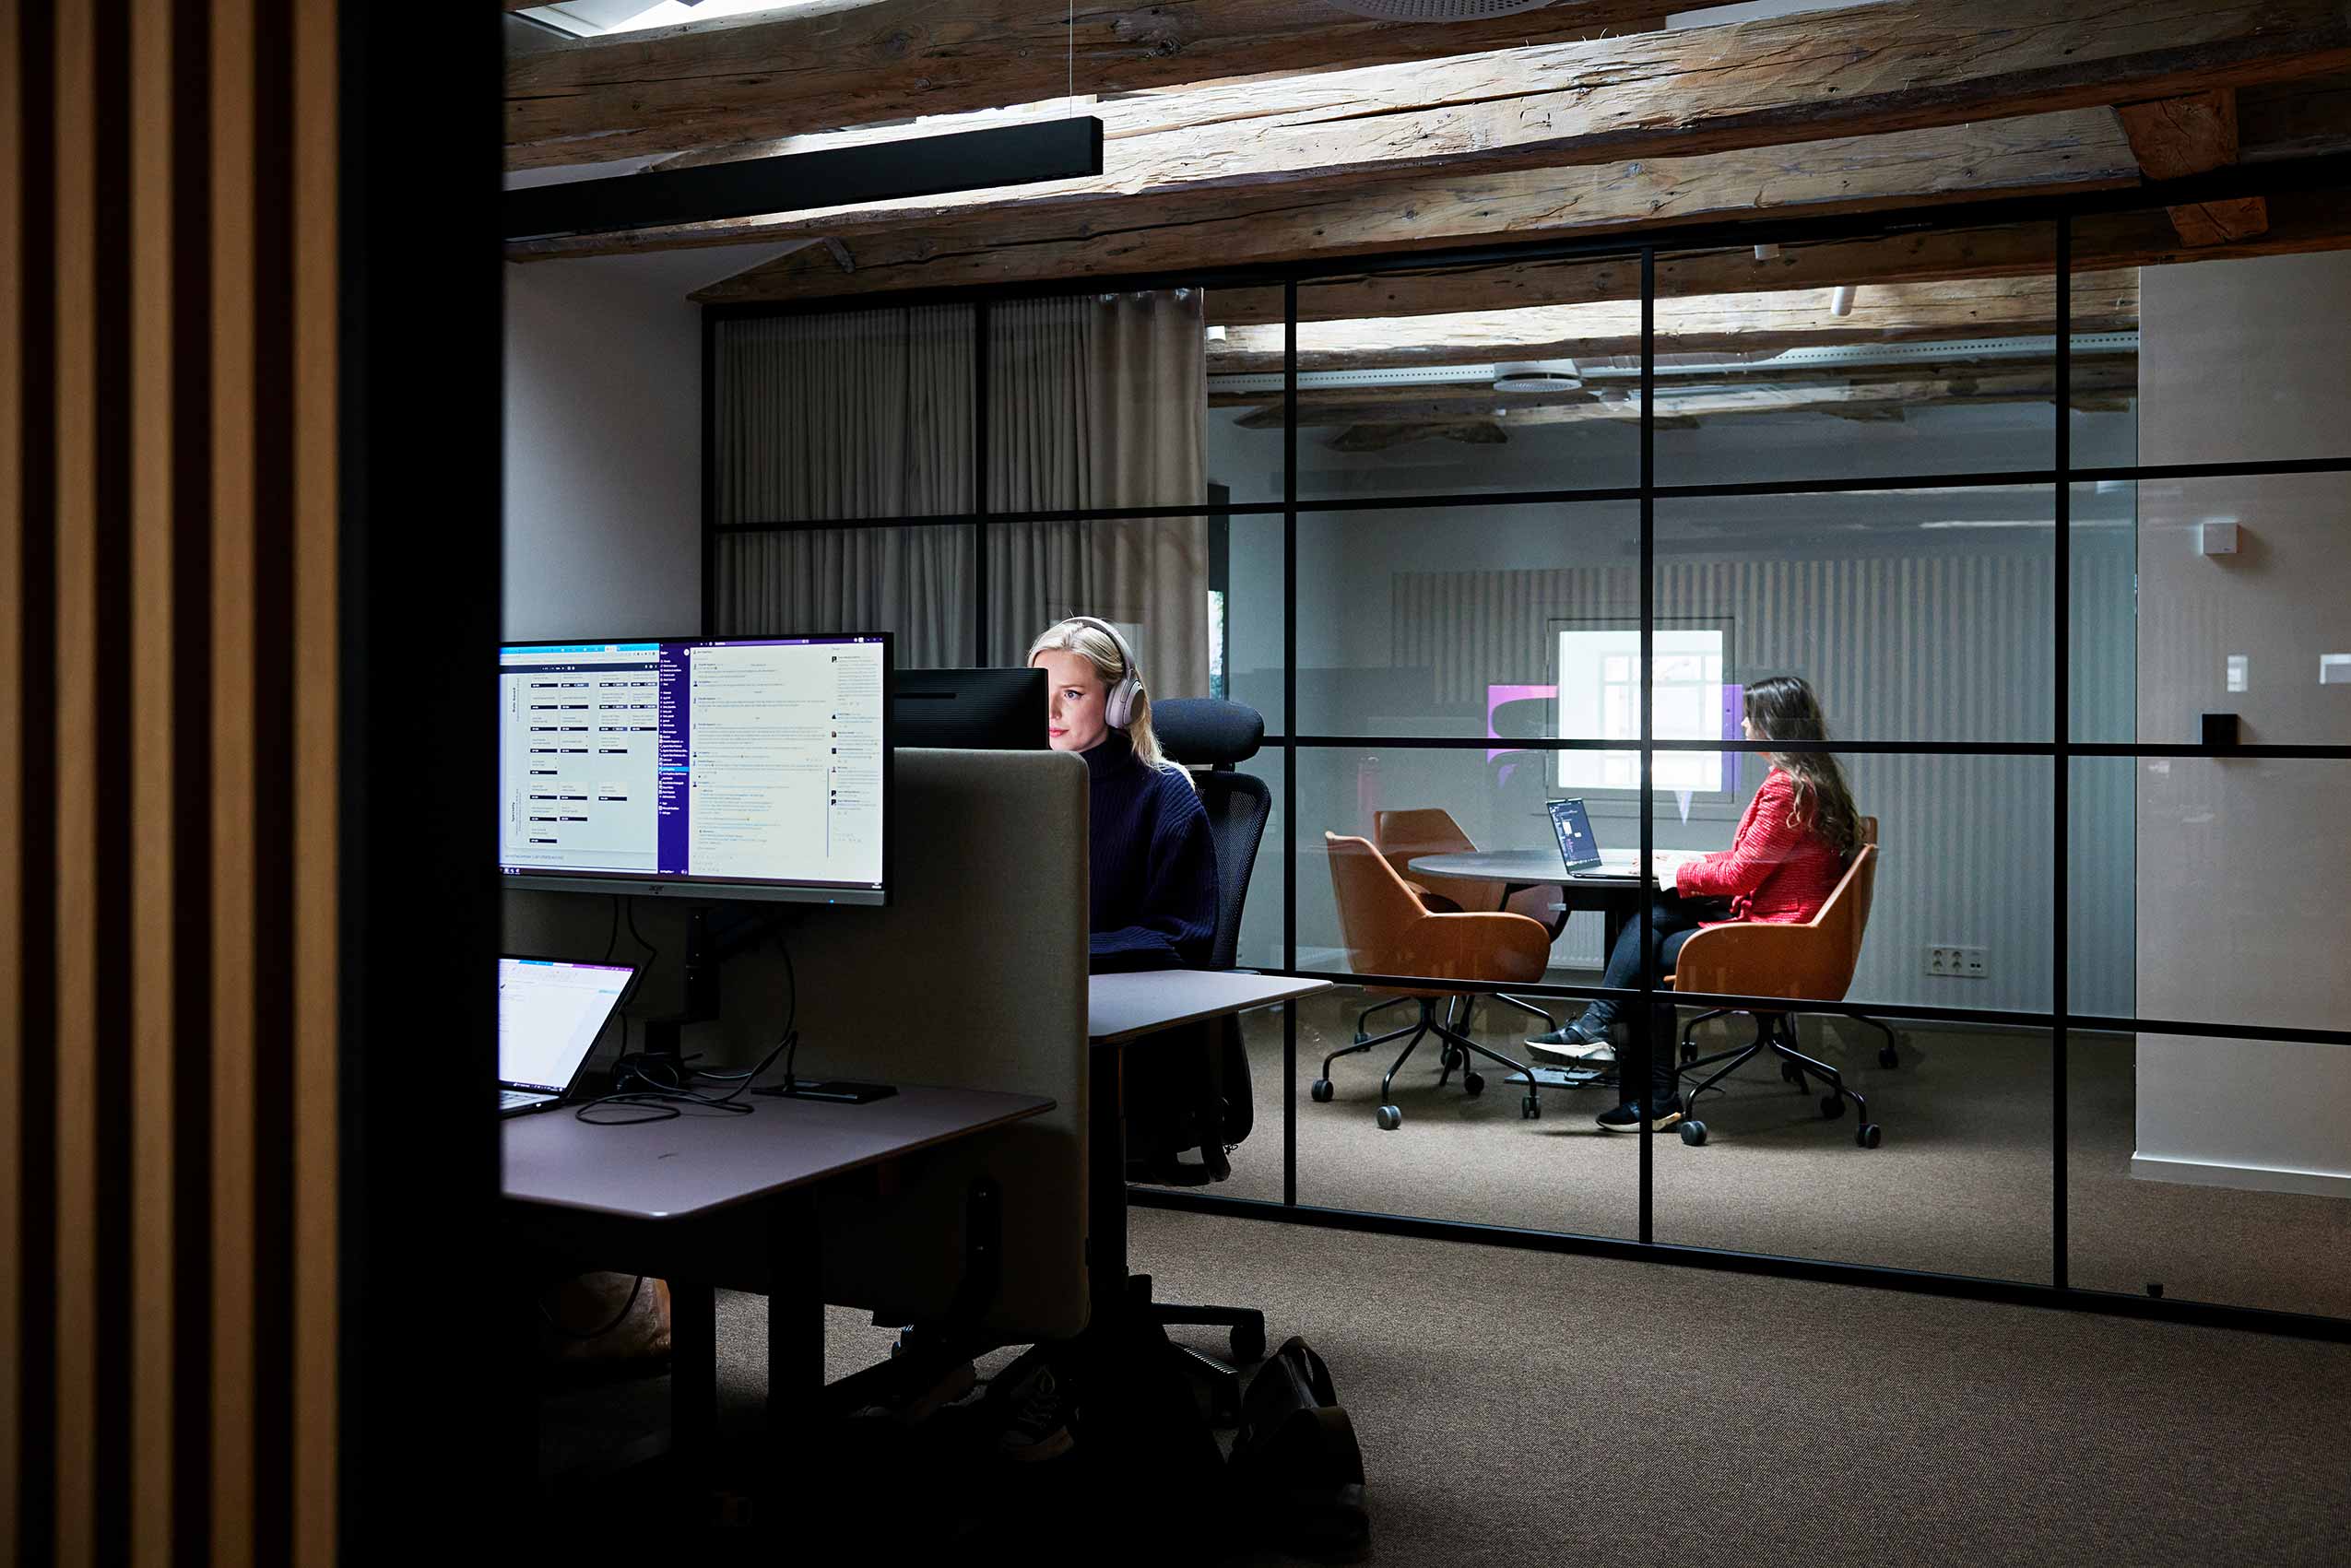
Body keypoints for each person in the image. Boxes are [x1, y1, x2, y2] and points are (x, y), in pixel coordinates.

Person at [1526, 675, 1860, 1132]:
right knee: (1657, 917)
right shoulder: (1811, 782)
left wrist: (1675, 873)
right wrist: (1689, 862)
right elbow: (1753, 860)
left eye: (1750, 717)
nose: (1742, 724)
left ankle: (1624, 1061)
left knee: (1651, 942)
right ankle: (1602, 1038)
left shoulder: (1788, 789)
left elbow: (1742, 874)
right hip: (1789, 925)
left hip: (1780, 937)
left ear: (1773, 726)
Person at [1028, 617, 1219, 973]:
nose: (1051, 711)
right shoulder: (1017, 789)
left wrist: (1061, 955)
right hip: (1026, 985)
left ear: (1119, 701)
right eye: (1042, 692)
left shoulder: (1165, 795)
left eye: (1071, 694)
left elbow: (1184, 937)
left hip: (1121, 997)